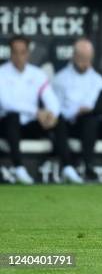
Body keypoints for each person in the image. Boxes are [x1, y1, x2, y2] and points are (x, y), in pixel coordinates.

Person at [0, 36, 81, 184]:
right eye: (15, 52)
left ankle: (68, 168)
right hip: (8, 126)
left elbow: (52, 101)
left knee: (59, 119)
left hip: (31, 125)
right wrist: (36, 112)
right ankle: (19, 169)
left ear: (28, 53)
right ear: (10, 53)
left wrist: (51, 115)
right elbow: (7, 104)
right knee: (12, 117)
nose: (19, 56)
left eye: (22, 52)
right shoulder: (2, 73)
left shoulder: (37, 74)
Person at [53, 38, 102, 181]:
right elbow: (55, 111)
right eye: (81, 58)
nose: (85, 62)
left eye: (88, 58)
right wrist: (77, 111)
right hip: (74, 124)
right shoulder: (60, 79)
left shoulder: (98, 79)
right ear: (74, 56)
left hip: (98, 122)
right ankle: (88, 167)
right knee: (89, 120)